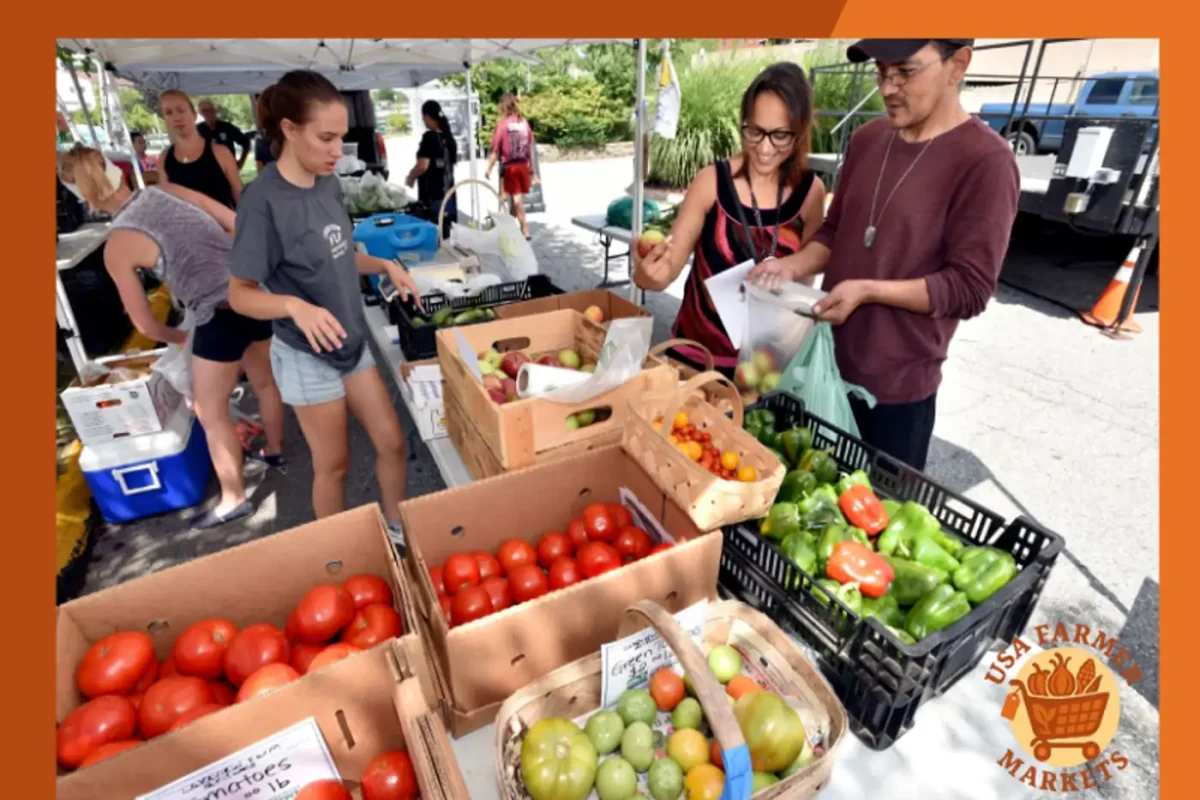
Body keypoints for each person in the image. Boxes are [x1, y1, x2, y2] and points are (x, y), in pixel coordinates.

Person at [749, 39, 1020, 470]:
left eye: (905, 72)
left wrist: (868, 290)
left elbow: (969, 289)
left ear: (959, 64)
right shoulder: (867, 139)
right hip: (824, 366)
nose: (888, 88)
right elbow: (837, 231)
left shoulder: (986, 161)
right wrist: (790, 265)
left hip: (896, 393)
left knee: (871, 522)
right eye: (881, 72)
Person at [227, 70, 423, 538]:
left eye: (342, 137)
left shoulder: (328, 183)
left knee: (393, 443)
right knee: (333, 465)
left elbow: (339, 253)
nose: (339, 151)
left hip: (351, 343)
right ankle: (337, 555)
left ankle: (396, 530)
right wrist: (294, 306)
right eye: (327, 138)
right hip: (305, 355)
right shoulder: (262, 201)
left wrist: (383, 265)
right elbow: (239, 294)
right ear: (290, 130)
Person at [58, 145, 286, 530]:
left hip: (216, 312)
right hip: (251, 290)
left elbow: (146, 326)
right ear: (117, 173)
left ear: (80, 195)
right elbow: (233, 220)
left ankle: (233, 499)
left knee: (208, 411)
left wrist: (180, 337)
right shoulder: (167, 190)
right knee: (264, 381)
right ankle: (276, 451)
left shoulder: (117, 246)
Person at [633, 62, 826, 378]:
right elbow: (664, 271)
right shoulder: (711, 182)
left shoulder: (810, 193)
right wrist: (646, 274)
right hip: (694, 363)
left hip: (761, 373)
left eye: (780, 136)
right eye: (754, 131)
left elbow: (804, 282)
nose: (764, 149)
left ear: (800, 131)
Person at [159, 90, 242, 209]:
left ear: (194, 114)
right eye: (168, 113)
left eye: (181, 110)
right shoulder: (164, 159)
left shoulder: (220, 153)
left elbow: (240, 198)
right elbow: (168, 204)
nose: (176, 117)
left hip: (223, 226)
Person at [484, 94, 538, 239]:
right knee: (516, 200)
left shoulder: (503, 125)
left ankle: (524, 230)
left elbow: (495, 151)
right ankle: (508, 226)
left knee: (516, 200)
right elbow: (530, 147)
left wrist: (489, 168)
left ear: (503, 107)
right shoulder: (524, 123)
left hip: (511, 168)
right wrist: (532, 168)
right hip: (523, 166)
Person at [405, 100, 458, 239]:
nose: (423, 121)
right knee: (447, 235)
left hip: (432, 197)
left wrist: (411, 177)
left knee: (433, 237)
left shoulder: (429, 137)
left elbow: (423, 165)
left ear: (428, 116)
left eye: (423, 117)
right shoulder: (448, 138)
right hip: (449, 196)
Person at [198, 98, 252, 170]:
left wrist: (242, 161)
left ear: (214, 110)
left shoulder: (226, 127)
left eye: (210, 109)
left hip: (229, 168)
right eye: (204, 111)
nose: (208, 113)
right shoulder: (197, 130)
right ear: (201, 113)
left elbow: (246, 141)